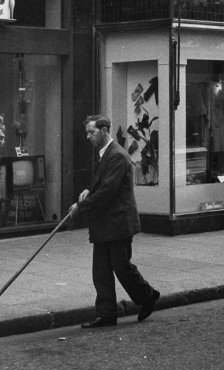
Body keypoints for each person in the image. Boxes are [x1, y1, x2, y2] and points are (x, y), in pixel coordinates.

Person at [68, 114, 160, 328]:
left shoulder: (117, 155)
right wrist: (88, 189)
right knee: (100, 270)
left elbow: (108, 190)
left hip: (118, 222)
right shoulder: (105, 153)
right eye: (87, 133)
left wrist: (81, 207)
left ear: (104, 130)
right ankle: (106, 314)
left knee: (121, 267)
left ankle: (148, 296)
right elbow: (102, 183)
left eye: (91, 132)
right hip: (105, 222)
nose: (88, 137)